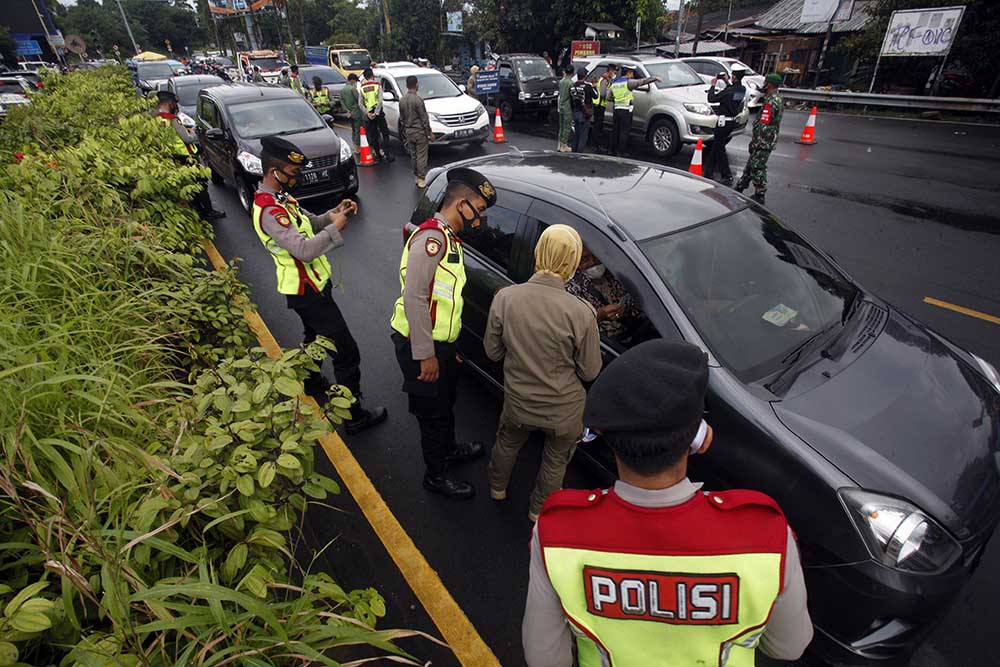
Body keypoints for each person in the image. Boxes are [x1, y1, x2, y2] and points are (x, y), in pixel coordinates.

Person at [522, 339, 813, 667]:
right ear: (697, 439)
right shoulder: (766, 535)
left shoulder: (557, 532)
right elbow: (788, 646)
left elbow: (545, 659)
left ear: (605, 434)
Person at [251, 135, 388, 434]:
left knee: (314, 339)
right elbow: (302, 249)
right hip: (306, 292)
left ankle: (312, 381)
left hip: (312, 286)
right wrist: (336, 230)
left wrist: (333, 215)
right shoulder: (269, 211)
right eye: (292, 172)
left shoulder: (281, 200)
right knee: (346, 352)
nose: (296, 177)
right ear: (275, 172)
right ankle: (353, 416)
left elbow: (308, 223)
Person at [389, 168, 498, 499]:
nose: (482, 217)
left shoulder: (449, 238)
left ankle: (449, 450)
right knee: (432, 415)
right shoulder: (431, 240)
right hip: (419, 344)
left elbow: (445, 298)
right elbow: (415, 297)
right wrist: (426, 354)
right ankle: (436, 476)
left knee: (446, 401)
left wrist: (448, 348)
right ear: (462, 204)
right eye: (479, 208)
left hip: (441, 344)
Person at [485, 225, 602, 522]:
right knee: (554, 463)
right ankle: (538, 511)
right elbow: (590, 371)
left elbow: (493, 352)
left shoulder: (506, 297)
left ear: (538, 253)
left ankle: (497, 489)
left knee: (507, 442)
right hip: (563, 411)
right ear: (573, 261)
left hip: (518, 402)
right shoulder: (582, 312)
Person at [153, 90, 225, 221]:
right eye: (174, 103)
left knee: (189, 185)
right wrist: (194, 132)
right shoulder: (172, 119)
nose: (175, 105)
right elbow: (188, 139)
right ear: (169, 103)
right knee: (200, 184)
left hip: (171, 156)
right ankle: (208, 211)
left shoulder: (155, 118)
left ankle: (197, 210)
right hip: (187, 157)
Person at [565, 247, 643, 345]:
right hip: (608, 345)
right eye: (585, 259)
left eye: (596, 256)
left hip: (636, 332)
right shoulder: (571, 288)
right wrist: (599, 316)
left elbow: (639, 300)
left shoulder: (616, 274)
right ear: (577, 263)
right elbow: (573, 327)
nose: (593, 262)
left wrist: (624, 308)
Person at [736, 73, 784, 205]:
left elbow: (763, 124)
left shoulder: (771, 102)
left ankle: (760, 194)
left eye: (766, 82)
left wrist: (755, 142)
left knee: (757, 166)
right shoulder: (777, 98)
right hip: (766, 140)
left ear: (769, 84)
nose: (764, 85)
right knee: (751, 164)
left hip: (763, 141)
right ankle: (739, 187)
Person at [704, 64, 748, 186]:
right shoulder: (741, 89)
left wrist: (713, 85)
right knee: (717, 146)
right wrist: (726, 82)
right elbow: (731, 92)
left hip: (723, 123)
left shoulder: (728, 91)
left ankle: (726, 174)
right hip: (732, 122)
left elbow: (711, 98)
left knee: (719, 149)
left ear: (734, 77)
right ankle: (708, 172)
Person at [609, 68, 659, 157]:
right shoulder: (628, 83)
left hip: (616, 110)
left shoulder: (614, 84)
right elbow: (642, 81)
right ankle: (621, 151)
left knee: (615, 130)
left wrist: (617, 100)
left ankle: (613, 150)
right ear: (628, 73)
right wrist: (654, 78)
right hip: (626, 110)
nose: (633, 76)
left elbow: (608, 97)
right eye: (632, 74)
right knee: (624, 132)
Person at [400, 74, 433, 188]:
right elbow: (424, 118)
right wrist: (429, 132)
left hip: (409, 132)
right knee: (421, 156)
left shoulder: (402, 100)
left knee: (413, 155)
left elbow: (402, 118)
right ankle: (421, 178)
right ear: (416, 85)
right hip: (419, 132)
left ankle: (416, 176)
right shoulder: (418, 100)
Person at [360, 68, 394, 163]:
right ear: (372, 75)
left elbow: (360, 103)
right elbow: (380, 100)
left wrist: (368, 113)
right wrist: (376, 113)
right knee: (385, 134)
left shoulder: (362, 88)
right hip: (378, 114)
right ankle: (387, 154)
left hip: (369, 115)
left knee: (373, 136)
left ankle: (378, 156)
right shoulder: (377, 85)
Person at [570, 67, 596, 153]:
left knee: (576, 134)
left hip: (576, 113)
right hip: (585, 114)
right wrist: (594, 85)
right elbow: (596, 96)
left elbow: (571, 100)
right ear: (585, 76)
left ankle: (574, 152)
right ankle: (580, 154)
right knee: (583, 136)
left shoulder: (572, 86)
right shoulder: (588, 86)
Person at [591, 65, 616, 152]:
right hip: (600, 105)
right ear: (610, 71)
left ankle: (596, 144)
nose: (614, 74)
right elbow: (602, 94)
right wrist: (609, 97)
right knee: (598, 126)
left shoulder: (603, 78)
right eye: (613, 72)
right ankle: (597, 146)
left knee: (597, 125)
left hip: (598, 104)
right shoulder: (605, 80)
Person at [340, 73, 363, 157]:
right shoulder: (353, 89)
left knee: (353, 129)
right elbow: (359, 100)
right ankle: (357, 148)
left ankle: (354, 145)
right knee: (358, 130)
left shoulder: (343, 90)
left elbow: (341, 101)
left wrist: (347, 110)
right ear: (352, 80)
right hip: (356, 112)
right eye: (355, 81)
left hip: (349, 113)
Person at [557, 66, 574, 153]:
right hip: (567, 107)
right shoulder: (571, 83)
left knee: (562, 126)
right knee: (567, 127)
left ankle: (560, 145)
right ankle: (564, 145)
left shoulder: (561, 81)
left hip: (561, 106)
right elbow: (572, 96)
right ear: (572, 73)